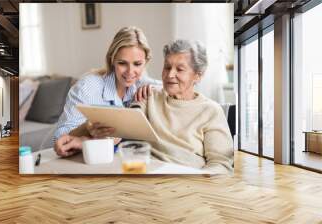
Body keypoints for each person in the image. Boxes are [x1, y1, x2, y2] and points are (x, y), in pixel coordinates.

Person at [54, 39, 234, 174]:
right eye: (167, 67)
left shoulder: (211, 111)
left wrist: (198, 182)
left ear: (198, 75)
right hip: (141, 174)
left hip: (186, 178)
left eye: (179, 69)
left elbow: (221, 163)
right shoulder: (148, 96)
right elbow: (118, 134)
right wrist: (83, 141)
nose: (170, 75)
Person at [54, 26, 160, 157]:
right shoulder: (88, 87)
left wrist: (155, 90)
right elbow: (59, 139)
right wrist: (86, 129)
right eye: (122, 63)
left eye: (137, 64)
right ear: (112, 60)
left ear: (145, 63)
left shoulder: (141, 83)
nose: (130, 72)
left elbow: (173, 87)